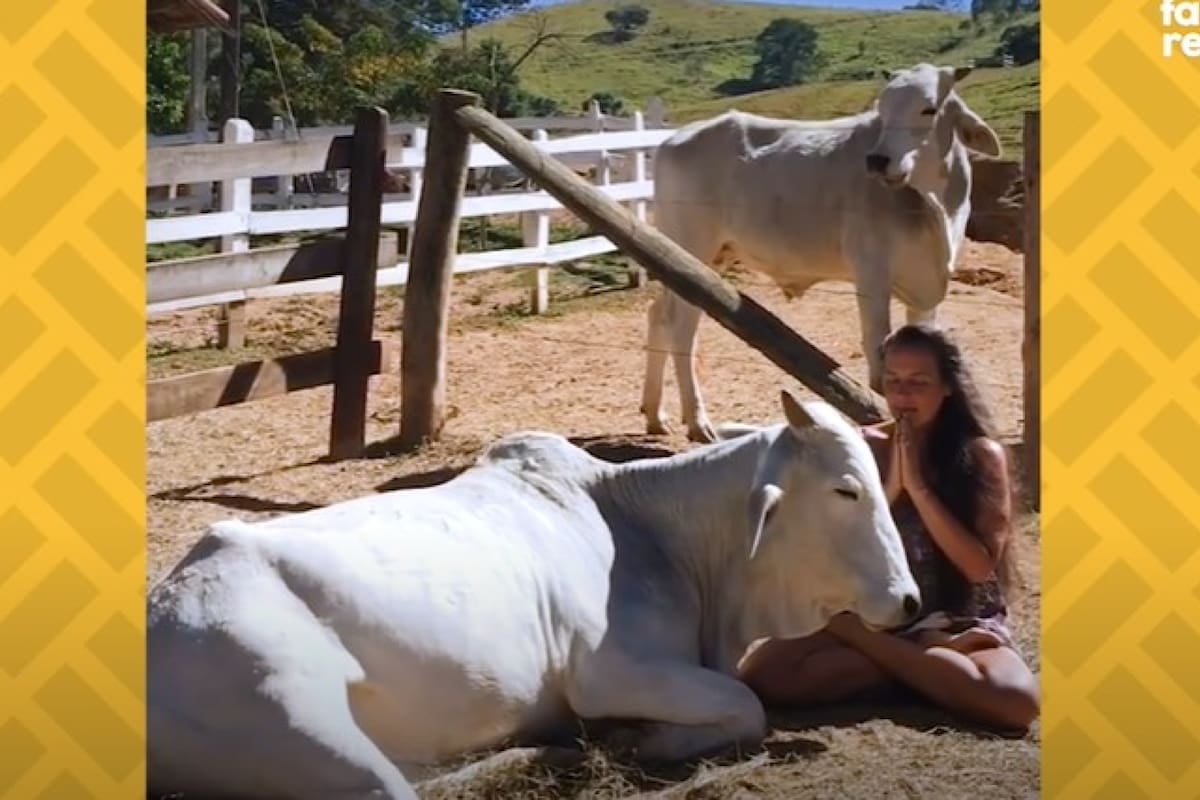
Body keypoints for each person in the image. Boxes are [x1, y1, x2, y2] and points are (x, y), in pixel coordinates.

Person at [737, 324, 1040, 732]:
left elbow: (979, 568)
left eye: (918, 383)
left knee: (1016, 702)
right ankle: (931, 667)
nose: (903, 396)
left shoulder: (980, 455)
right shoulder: (862, 447)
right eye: (894, 382)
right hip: (873, 615)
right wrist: (891, 490)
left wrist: (917, 488)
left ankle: (914, 659)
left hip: (957, 619)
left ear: (947, 387)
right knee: (764, 677)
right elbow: (836, 542)